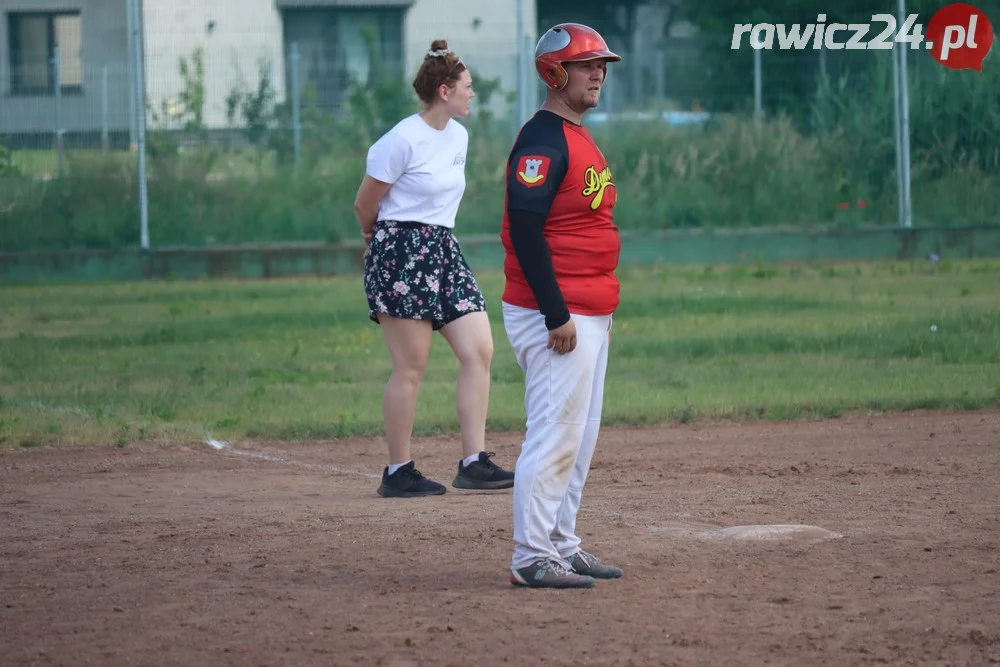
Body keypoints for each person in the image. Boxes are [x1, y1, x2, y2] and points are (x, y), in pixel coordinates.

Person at [354, 40, 515, 498]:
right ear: (444, 91)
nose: (473, 93)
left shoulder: (458, 136)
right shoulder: (401, 139)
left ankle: (473, 462)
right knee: (412, 365)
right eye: (468, 86)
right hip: (400, 249)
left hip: (443, 247)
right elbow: (365, 203)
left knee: (479, 349)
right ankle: (398, 471)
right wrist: (374, 243)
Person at [500, 24, 625, 588]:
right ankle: (531, 556)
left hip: (587, 308)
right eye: (586, 64)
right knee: (554, 433)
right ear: (554, 72)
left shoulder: (577, 136)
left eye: (602, 64)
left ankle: (560, 542)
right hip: (558, 314)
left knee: (580, 434)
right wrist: (556, 314)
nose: (599, 72)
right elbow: (525, 231)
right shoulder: (542, 140)